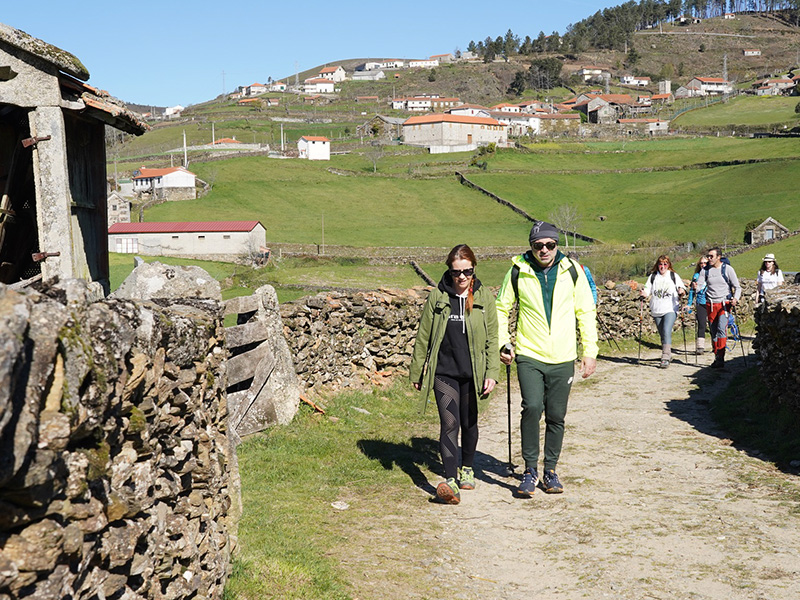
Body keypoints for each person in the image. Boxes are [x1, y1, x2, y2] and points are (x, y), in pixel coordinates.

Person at [496, 222, 598, 497]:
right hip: (529, 354)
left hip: (564, 356)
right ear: (531, 246)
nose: (544, 250)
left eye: (550, 245)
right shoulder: (518, 270)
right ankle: (530, 470)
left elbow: (586, 311)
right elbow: (501, 307)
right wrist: (503, 342)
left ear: (557, 244)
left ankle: (550, 471)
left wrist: (590, 351)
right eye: (538, 245)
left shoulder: (573, 270)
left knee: (556, 415)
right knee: (531, 407)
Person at [409, 244, 499, 505]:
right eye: (456, 272)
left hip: (474, 372)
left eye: (466, 272)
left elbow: (493, 338)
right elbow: (423, 336)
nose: (461, 277)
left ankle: (467, 467)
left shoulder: (484, 297)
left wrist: (491, 372)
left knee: (469, 423)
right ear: (449, 271)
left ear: (473, 270)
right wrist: (417, 371)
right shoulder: (438, 297)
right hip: (444, 371)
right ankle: (450, 480)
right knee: (450, 424)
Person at [695, 247, 742, 369]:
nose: (709, 258)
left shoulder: (727, 269)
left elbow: (737, 287)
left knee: (722, 329)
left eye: (711, 256)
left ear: (719, 257)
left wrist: (735, 298)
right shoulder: (705, 271)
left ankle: (721, 357)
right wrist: (694, 287)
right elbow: (699, 286)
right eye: (708, 256)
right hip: (710, 305)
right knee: (714, 332)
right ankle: (717, 356)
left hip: (724, 305)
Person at [640, 255, 687, 368]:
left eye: (665, 264)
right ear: (657, 265)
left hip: (670, 308)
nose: (662, 266)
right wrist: (644, 294)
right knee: (662, 333)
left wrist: (681, 291)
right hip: (656, 309)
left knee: (666, 330)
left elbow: (682, 288)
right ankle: (668, 353)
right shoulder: (653, 276)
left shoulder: (673, 276)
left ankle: (665, 356)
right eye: (660, 264)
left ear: (669, 265)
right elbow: (647, 289)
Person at [687, 255, 709, 355]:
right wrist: (689, 303)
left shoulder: (712, 274)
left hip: (711, 301)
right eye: (701, 263)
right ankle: (700, 347)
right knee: (701, 324)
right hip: (700, 302)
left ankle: (716, 345)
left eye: (705, 263)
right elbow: (692, 291)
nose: (703, 265)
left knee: (714, 325)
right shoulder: (696, 276)